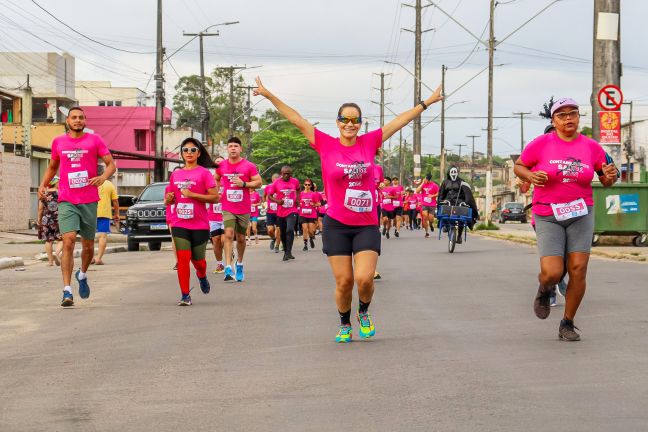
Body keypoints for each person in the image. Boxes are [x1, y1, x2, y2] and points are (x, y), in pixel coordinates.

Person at [254, 75, 443, 343]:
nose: (350, 124)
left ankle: (363, 313)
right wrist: (268, 94)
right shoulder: (325, 144)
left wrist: (426, 103)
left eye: (355, 120)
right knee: (344, 282)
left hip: (365, 224)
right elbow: (296, 119)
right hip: (336, 224)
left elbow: (399, 121)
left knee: (365, 279)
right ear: (338, 122)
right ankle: (344, 323)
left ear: (360, 123)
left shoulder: (370, 142)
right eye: (345, 119)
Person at [514, 97, 618, 341]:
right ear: (554, 120)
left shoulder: (592, 147)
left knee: (578, 269)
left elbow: (606, 178)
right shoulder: (540, 144)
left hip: (581, 212)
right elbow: (519, 166)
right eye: (562, 115)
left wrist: (610, 177)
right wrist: (531, 174)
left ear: (578, 117)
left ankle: (567, 323)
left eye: (573, 113)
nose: (568, 118)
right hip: (548, 213)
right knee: (552, 272)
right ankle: (544, 288)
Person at [38, 107, 116, 307]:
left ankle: (82, 274)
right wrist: (43, 185)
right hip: (67, 200)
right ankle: (67, 290)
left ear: (85, 121)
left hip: (89, 200)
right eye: (74, 117)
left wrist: (102, 177)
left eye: (81, 117)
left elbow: (110, 164)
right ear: (68, 121)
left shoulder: (94, 140)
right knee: (69, 240)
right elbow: (53, 166)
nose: (78, 120)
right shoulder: (58, 142)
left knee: (88, 246)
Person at [164, 137, 219, 306]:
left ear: (198, 153)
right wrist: (169, 199)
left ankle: (202, 276)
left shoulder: (204, 173)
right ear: (181, 153)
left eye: (193, 150)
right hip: (180, 222)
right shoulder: (176, 174)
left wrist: (193, 195)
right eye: (186, 150)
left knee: (199, 261)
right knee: (183, 258)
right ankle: (185, 295)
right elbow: (169, 200)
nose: (189, 153)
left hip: (200, 224)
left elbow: (215, 198)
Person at [214, 137, 262, 282]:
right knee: (228, 234)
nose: (233, 148)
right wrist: (217, 193)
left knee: (241, 238)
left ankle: (239, 263)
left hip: (243, 207)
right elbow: (216, 178)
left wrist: (244, 184)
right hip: (228, 206)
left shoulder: (248, 166)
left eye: (236, 146)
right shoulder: (221, 165)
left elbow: (259, 183)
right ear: (227, 149)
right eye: (230, 146)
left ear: (240, 149)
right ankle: (228, 267)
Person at [437, 166, 479, 244]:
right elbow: (441, 194)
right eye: (452, 172)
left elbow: (467, 193)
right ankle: (445, 226)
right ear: (449, 173)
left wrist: (466, 202)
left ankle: (459, 235)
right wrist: (441, 201)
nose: (453, 173)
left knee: (462, 218)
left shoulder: (462, 182)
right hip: (448, 202)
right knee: (444, 213)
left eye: (455, 172)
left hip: (459, 202)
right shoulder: (445, 182)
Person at [268, 165, 300, 261]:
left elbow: (298, 189)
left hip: (292, 210)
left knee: (290, 230)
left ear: (291, 174)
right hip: (281, 211)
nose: (286, 175)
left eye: (288, 174)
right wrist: (277, 201)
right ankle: (286, 250)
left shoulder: (295, 181)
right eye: (284, 174)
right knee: (282, 232)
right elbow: (269, 196)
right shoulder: (277, 182)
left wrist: (297, 199)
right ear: (281, 173)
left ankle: (288, 252)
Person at [93, 164, 119, 265]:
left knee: (88, 237)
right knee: (102, 236)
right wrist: (116, 214)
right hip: (104, 213)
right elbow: (115, 201)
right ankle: (98, 258)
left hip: (90, 213)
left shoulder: (89, 182)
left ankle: (90, 258)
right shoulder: (109, 184)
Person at [37, 176, 63, 266]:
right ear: (55, 183)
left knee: (48, 241)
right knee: (61, 239)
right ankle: (57, 253)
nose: (60, 183)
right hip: (58, 219)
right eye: (59, 182)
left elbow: (40, 209)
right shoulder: (60, 192)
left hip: (46, 220)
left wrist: (39, 220)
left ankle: (50, 262)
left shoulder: (43, 193)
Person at [208, 156, 226, 273]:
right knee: (216, 240)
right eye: (217, 163)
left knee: (224, 240)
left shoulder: (227, 179)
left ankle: (229, 252)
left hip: (226, 215)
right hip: (212, 216)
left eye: (221, 162)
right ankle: (220, 264)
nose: (219, 164)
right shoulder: (209, 179)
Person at [299, 179, 321, 251]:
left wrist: (314, 204)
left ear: (310, 186)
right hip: (303, 214)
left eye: (309, 185)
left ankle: (311, 238)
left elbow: (319, 204)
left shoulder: (313, 194)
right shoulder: (301, 194)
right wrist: (300, 204)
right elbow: (297, 202)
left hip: (312, 214)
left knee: (311, 231)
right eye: (306, 184)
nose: (307, 186)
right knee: (305, 229)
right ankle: (305, 245)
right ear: (304, 185)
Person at [416, 173, 439, 237]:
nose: (426, 180)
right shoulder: (423, 184)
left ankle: (431, 224)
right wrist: (422, 183)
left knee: (431, 218)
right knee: (425, 216)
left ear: (429, 180)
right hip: (424, 204)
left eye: (427, 180)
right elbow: (417, 191)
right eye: (425, 179)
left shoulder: (434, 185)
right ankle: (426, 232)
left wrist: (432, 195)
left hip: (432, 204)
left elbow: (438, 193)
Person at [265, 173, 281, 252]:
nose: (274, 181)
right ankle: (273, 238)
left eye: (276, 180)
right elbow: (265, 196)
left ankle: (277, 246)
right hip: (270, 211)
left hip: (279, 211)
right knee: (270, 230)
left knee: (278, 229)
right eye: (273, 179)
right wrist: (265, 204)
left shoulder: (281, 187)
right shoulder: (268, 187)